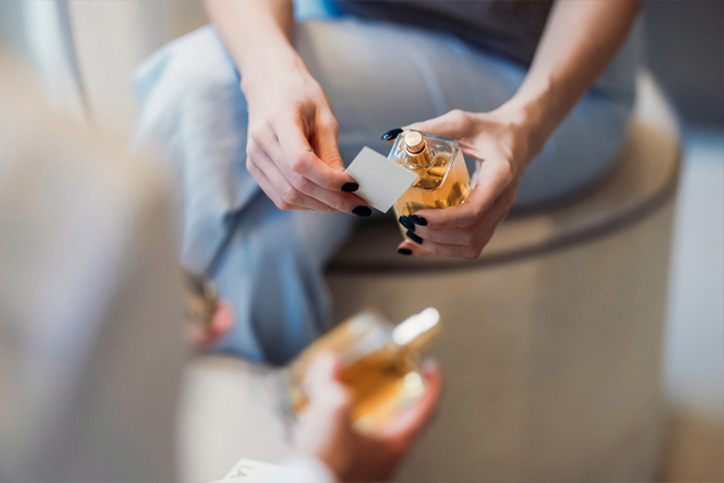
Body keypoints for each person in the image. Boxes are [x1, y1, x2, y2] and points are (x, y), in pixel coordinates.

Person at [0, 52, 442, 482]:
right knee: (267, 244)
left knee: (201, 89)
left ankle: (246, 409)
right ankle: (270, 429)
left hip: (486, 61)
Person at [133, 0, 641, 364]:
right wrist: (269, 71)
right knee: (270, 239)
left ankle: (112, 365)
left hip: (541, 84)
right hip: (348, 26)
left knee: (200, 90)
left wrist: (522, 127)